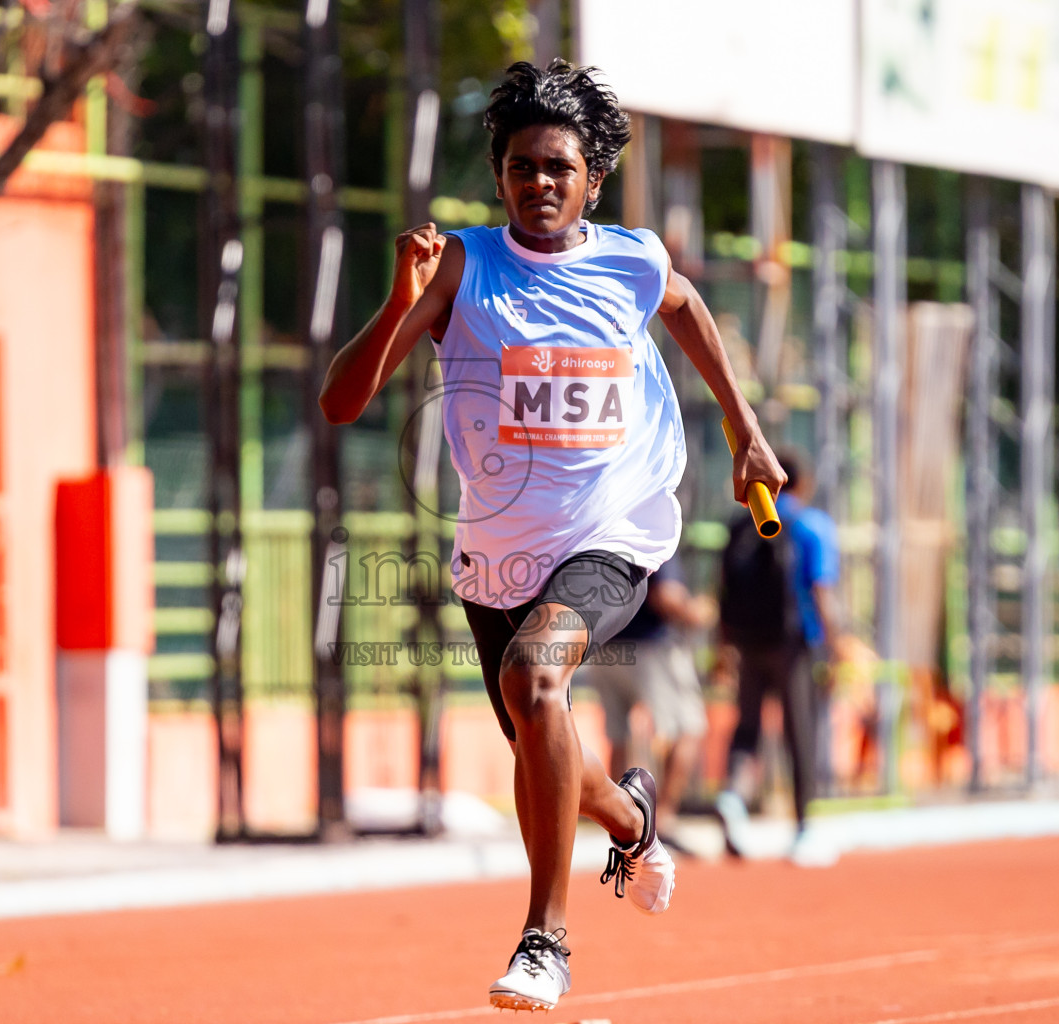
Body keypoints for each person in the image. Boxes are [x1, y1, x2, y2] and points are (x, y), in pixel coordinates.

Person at [319, 60, 784, 1012]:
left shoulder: (632, 258)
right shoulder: (461, 265)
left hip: (615, 527)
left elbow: (687, 307)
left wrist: (745, 429)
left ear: (592, 181)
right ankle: (632, 816)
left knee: (537, 681)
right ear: (500, 175)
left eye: (560, 168)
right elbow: (340, 401)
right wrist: (400, 296)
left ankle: (547, 941)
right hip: (497, 553)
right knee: (544, 746)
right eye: (524, 166)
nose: (541, 183)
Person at [714, 447, 842, 868]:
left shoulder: (740, 525)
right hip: (794, 642)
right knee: (799, 731)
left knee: (747, 725)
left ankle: (732, 797)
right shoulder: (811, 524)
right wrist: (835, 646)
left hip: (749, 640)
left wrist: (722, 645)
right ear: (797, 480)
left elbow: (723, 589)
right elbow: (821, 588)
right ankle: (804, 827)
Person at [582, 550, 714, 845]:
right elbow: (666, 596)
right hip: (651, 647)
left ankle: (618, 822)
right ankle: (663, 819)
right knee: (688, 728)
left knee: (619, 736)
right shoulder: (652, 526)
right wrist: (697, 612)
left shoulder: (601, 530)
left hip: (603, 645)